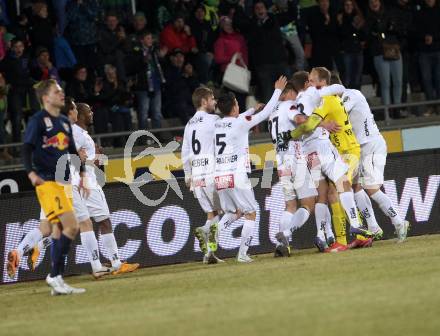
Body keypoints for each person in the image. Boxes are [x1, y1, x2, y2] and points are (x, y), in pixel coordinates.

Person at [20, 101, 140, 277]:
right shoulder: (76, 132)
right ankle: (115, 263)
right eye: (87, 110)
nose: (91, 113)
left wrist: (94, 158)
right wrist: (91, 161)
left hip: (69, 183)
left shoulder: (76, 133)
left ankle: (36, 246)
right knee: (103, 220)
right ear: (80, 114)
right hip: (85, 183)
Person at [283, 68, 374, 249]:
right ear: (308, 84)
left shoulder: (292, 105)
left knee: (322, 194)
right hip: (322, 146)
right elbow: (338, 88)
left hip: (308, 152)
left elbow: (303, 120)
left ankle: (321, 235)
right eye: (310, 80)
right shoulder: (313, 94)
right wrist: (320, 123)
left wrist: (290, 135)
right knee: (343, 184)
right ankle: (356, 225)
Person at [9, 79, 85, 295]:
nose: (61, 93)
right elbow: (26, 148)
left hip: (63, 182)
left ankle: (57, 281)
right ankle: (54, 276)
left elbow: (71, 151)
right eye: (56, 91)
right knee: (71, 226)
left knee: (57, 230)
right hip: (47, 182)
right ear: (46, 97)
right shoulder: (38, 120)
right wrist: (31, 173)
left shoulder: (63, 122)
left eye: (61, 90)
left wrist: (84, 174)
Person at [213, 76, 287, 262]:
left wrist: (253, 108)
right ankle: (243, 254)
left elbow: (238, 118)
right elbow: (266, 112)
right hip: (236, 175)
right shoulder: (240, 122)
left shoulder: (217, 124)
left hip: (220, 176)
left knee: (233, 213)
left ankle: (211, 233)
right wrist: (277, 90)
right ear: (234, 107)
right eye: (237, 103)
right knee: (251, 212)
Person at [331, 72, 410, 242]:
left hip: (372, 144)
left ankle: (399, 222)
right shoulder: (338, 99)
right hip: (358, 149)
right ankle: (373, 227)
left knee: (372, 188)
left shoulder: (351, 95)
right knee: (355, 186)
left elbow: (339, 113)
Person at [268, 82, 318, 257]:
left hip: (281, 161)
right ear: (288, 93)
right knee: (309, 203)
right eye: (295, 94)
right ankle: (287, 233)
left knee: (290, 205)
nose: (296, 99)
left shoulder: (272, 112)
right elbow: (299, 119)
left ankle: (281, 246)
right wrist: (314, 119)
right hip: (295, 158)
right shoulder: (289, 105)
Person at [181, 87, 223, 264]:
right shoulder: (214, 119)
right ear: (204, 102)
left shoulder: (189, 124)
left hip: (196, 177)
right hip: (212, 172)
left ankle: (209, 254)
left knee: (211, 214)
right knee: (229, 212)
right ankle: (205, 232)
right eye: (212, 99)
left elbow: (185, 152)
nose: (215, 102)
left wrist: (187, 175)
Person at [247, 1, 289, 102]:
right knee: (268, 94)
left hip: (280, 62)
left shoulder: (275, 19)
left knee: (287, 91)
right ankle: (270, 117)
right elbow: (238, 22)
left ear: (266, 9)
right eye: (257, 8)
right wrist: (239, 6)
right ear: (254, 11)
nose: (260, 10)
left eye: (262, 7)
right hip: (263, 66)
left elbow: (291, 15)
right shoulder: (252, 24)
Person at [364, 0, 403, 109]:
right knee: (385, 83)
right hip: (379, 53)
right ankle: (387, 111)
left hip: (394, 50)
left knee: (398, 81)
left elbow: (399, 30)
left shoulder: (390, 13)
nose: (374, 3)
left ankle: (397, 109)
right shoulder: (368, 18)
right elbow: (368, 35)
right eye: (371, 1)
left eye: (376, 0)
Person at [131, 31, 166, 130]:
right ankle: (143, 138)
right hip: (143, 87)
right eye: (148, 38)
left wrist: (162, 57)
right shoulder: (136, 52)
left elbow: (161, 67)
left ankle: (158, 137)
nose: (151, 40)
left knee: (157, 113)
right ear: (142, 40)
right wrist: (143, 60)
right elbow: (132, 68)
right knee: (143, 114)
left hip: (156, 85)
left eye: (151, 38)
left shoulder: (155, 51)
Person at [214, 15, 248, 111]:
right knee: (232, 102)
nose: (228, 26)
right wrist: (233, 57)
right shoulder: (220, 40)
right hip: (229, 74)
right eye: (225, 24)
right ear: (221, 26)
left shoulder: (240, 38)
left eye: (230, 24)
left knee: (241, 102)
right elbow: (218, 58)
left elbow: (245, 55)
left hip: (241, 74)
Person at [414, 0, 440, 114]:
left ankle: (438, 105)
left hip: (438, 50)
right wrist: (424, 37)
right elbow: (414, 29)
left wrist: (433, 37)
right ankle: (431, 105)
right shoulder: (419, 10)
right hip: (424, 51)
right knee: (426, 80)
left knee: (439, 79)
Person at [337, 0, 365, 90]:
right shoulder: (340, 18)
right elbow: (341, 34)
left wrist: (358, 25)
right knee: (347, 77)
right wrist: (340, 24)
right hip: (346, 51)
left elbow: (362, 35)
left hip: (358, 50)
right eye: (346, 5)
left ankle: (357, 99)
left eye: (350, 5)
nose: (349, 7)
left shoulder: (358, 18)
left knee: (357, 77)